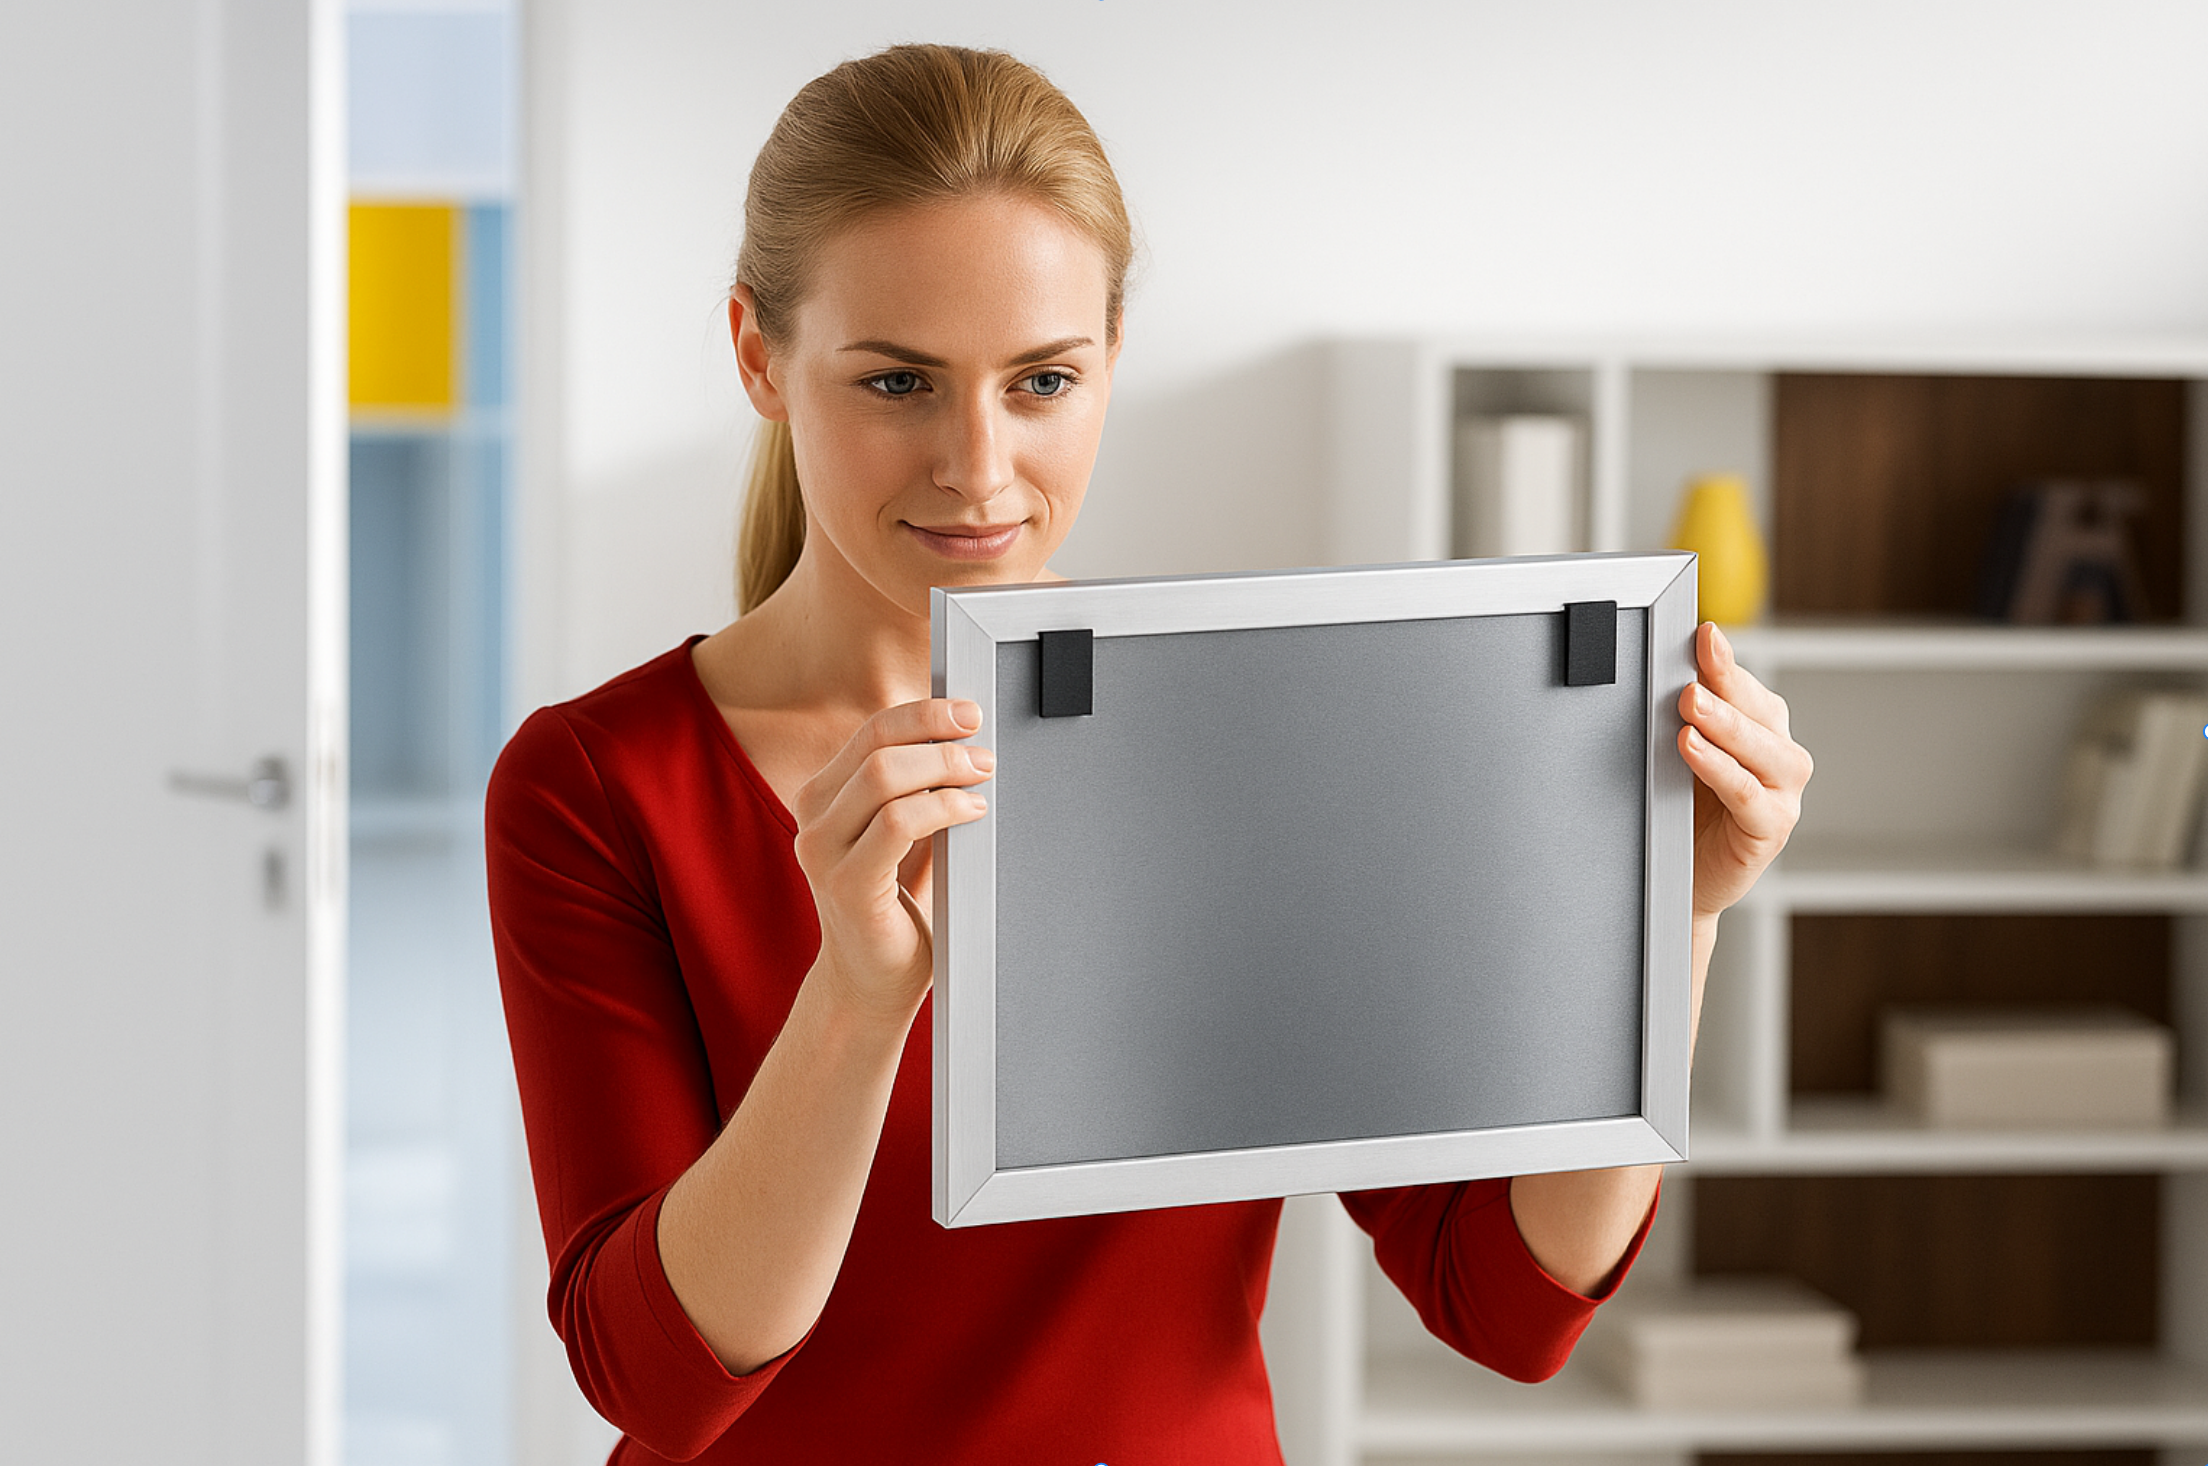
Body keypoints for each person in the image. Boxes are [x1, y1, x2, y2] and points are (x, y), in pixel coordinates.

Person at [486, 42, 1812, 1464]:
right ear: (760, 355)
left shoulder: (1252, 738)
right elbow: (656, 1381)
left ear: (1111, 358)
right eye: (897, 385)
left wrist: (1668, 908)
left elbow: (1503, 1298)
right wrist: (856, 1004)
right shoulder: (594, 786)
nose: (979, 467)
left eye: (1041, 381)